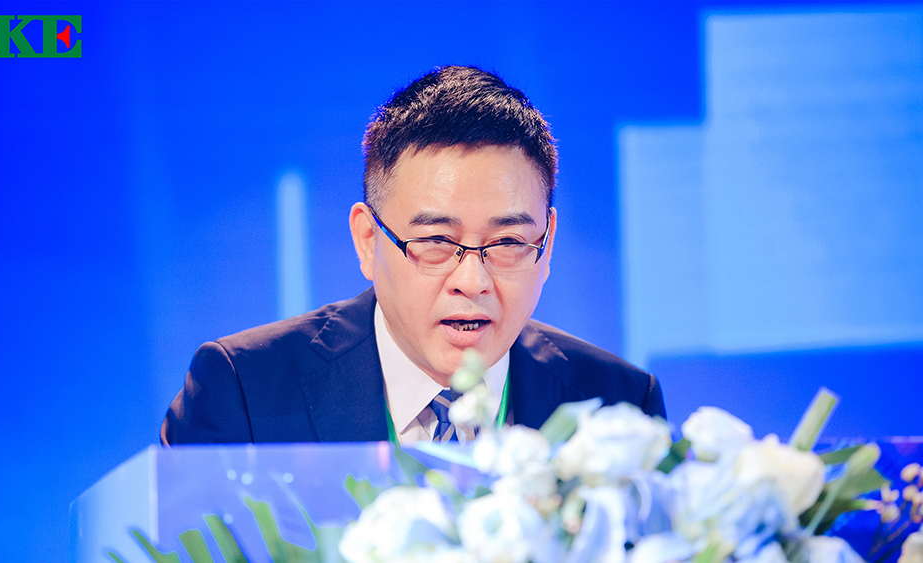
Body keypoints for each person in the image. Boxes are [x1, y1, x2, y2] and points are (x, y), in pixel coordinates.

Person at [161, 65, 665, 446]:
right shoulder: (243, 392)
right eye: (437, 242)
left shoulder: (620, 407)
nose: (472, 280)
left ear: (546, 245)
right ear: (368, 239)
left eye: (508, 243)